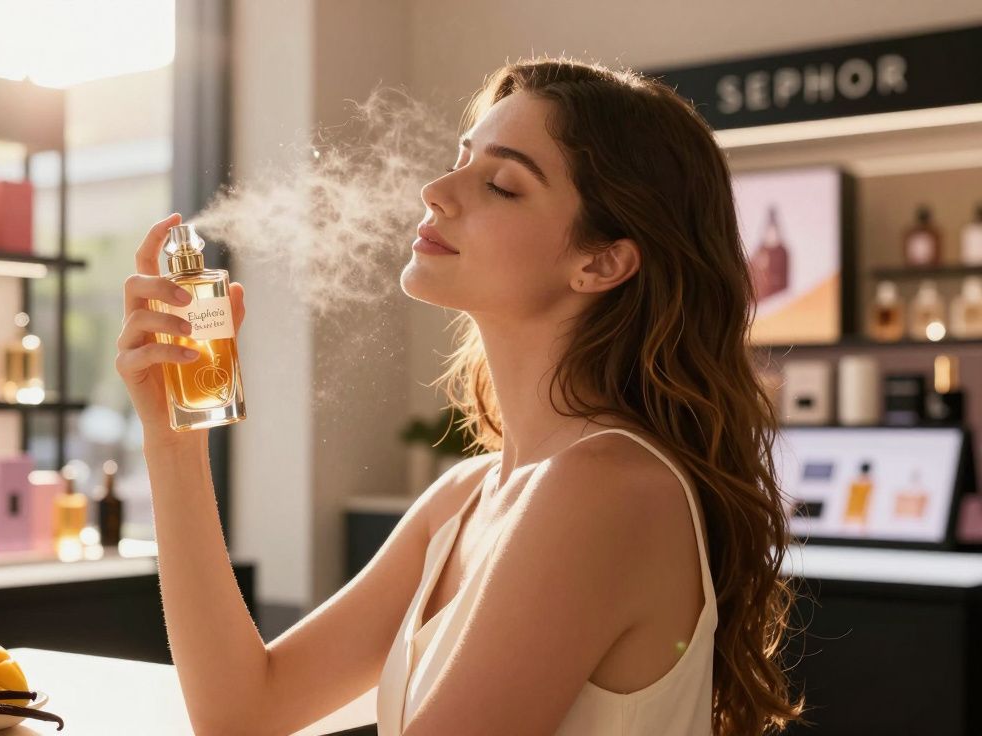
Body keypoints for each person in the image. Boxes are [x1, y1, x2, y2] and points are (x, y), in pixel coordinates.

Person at [115, 56, 805, 736]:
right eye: (460, 157)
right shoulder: (469, 494)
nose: (437, 190)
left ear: (600, 262)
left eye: (502, 183)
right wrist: (174, 445)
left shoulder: (608, 489)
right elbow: (244, 711)